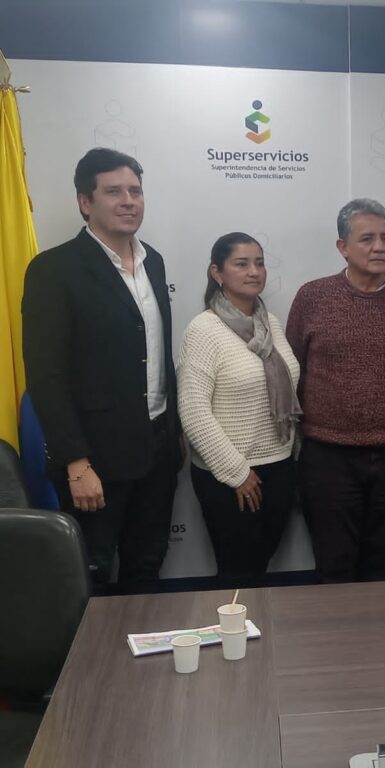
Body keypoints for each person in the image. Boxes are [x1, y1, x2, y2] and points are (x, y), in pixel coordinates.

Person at [22, 147, 179, 593]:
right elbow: (47, 376)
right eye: (113, 192)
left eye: (135, 191)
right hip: (94, 459)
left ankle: (143, 642)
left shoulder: (154, 261)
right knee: (92, 577)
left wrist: (173, 433)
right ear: (85, 202)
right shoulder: (53, 270)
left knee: (146, 567)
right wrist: (75, 463)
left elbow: (156, 356)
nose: (129, 201)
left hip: (156, 450)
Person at [286, 199, 385, 582]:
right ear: (342, 247)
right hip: (328, 458)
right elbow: (293, 369)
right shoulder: (312, 297)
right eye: (367, 239)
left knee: (384, 565)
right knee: (334, 566)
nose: (380, 247)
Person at [177, 233, 301, 585]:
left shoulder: (269, 323)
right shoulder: (203, 330)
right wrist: (237, 473)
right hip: (230, 475)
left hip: (279, 465)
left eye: (259, 263)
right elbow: (194, 411)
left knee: (260, 567)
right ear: (217, 273)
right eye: (241, 264)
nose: (254, 272)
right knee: (239, 574)